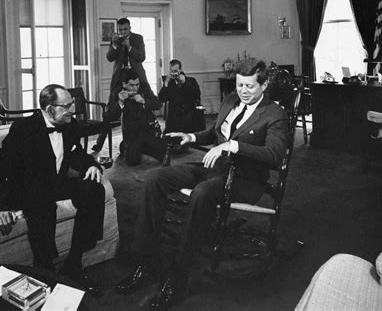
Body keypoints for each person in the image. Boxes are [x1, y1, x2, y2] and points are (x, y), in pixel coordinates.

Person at [114, 58, 289, 310]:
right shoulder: (230, 101)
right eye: (240, 85)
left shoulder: (273, 113)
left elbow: (275, 155)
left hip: (245, 180)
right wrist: (191, 136)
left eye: (250, 86)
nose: (243, 91)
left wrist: (234, 145)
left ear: (263, 85)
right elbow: (214, 134)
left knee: (202, 193)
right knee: (156, 178)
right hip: (214, 169)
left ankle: (179, 275)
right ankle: (145, 259)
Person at [0, 84, 105, 295]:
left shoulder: (69, 124)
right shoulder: (23, 129)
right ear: (50, 109)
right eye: (67, 106)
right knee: (42, 204)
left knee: (94, 189)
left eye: (72, 104)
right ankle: (45, 270)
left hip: (54, 183)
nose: (72, 110)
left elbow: (77, 153)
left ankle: (74, 263)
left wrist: (92, 165)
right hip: (26, 190)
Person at [92, 18, 149, 152]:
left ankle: (143, 142)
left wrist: (129, 47)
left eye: (125, 29)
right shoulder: (115, 40)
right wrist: (116, 45)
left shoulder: (138, 38)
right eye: (121, 30)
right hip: (119, 78)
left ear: (130, 28)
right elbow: (109, 57)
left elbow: (141, 57)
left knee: (143, 106)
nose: (123, 32)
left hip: (136, 78)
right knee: (110, 108)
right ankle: (100, 143)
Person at [105, 69, 166, 166]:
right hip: (132, 134)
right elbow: (109, 117)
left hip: (149, 131)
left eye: (137, 85)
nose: (135, 88)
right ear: (124, 84)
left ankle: (133, 149)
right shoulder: (117, 92)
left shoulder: (144, 88)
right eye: (132, 85)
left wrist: (144, 101)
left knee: (164, 153)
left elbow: (158, 104)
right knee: (132, 161)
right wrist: (120, 103)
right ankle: (126, 147)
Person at [158, 59, 203, 134]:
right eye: (171, 71)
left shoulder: (191, 81)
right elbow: (161, 98)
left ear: (180, 70)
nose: (174, 73)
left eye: (175, 71)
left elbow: (196, 95)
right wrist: (166, 83)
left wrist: (185, 83)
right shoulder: (170, 83)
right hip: (173, 119)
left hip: (189, 117)